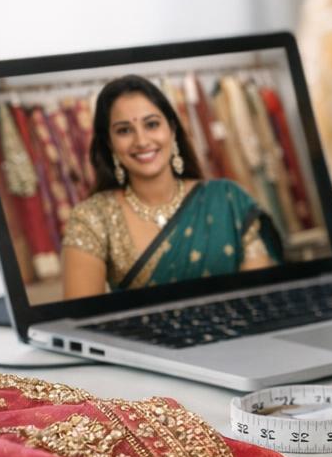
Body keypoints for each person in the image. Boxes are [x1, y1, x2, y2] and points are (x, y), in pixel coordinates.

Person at [61, 75, 282, 299]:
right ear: (110, 143)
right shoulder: (92, 219)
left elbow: (259, 297)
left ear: (172, 129)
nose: (142, 141)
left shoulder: (229, 200)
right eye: (124, 130)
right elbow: (83, 321)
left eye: (152, 124)